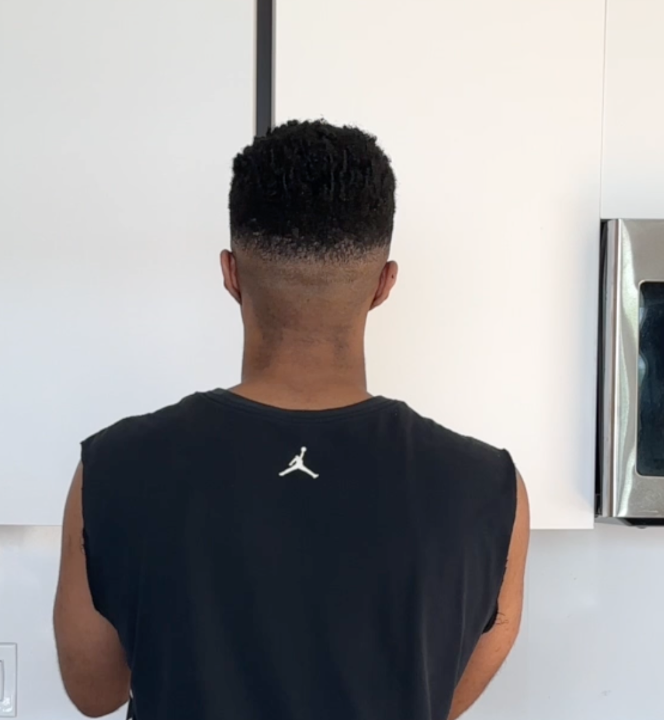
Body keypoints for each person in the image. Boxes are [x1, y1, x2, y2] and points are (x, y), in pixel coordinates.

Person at [53, 120, 529, 720]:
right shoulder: (489, 488)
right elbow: (439, 697)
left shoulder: (113, 467)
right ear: (384, 285)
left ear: (230, 275)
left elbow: (94, 692)